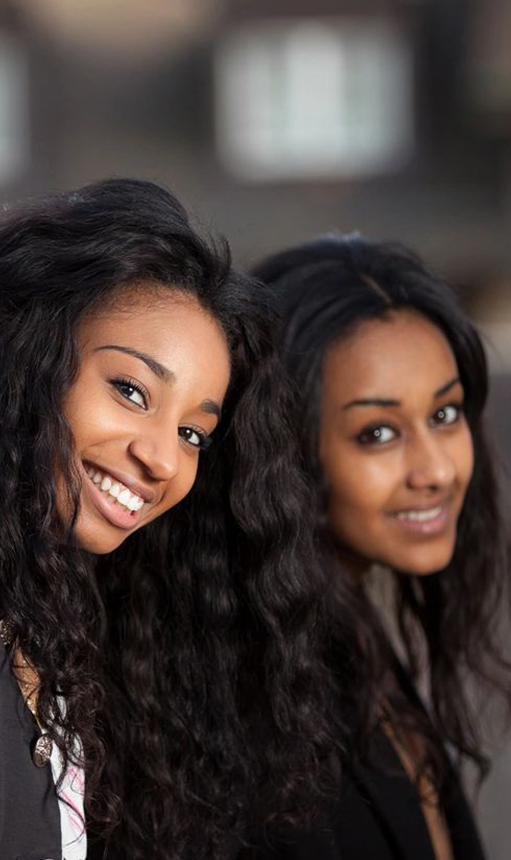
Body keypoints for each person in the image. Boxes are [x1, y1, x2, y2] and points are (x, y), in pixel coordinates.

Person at [0, 179, 342, 860]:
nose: (160, 457)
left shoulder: (49, 602)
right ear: (27, 352)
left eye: (193, 435)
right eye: (130, 391)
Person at [249, 234, 511, 860]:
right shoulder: (252, 688)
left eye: (445, 416)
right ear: (285, 449)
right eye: (378, 432)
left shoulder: (346, 638)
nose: (436, 471)